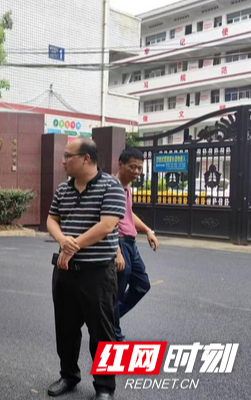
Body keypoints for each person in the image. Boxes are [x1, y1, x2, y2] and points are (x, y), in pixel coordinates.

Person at [46, 139, 126, 400]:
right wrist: (62, 240)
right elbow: (52, 219)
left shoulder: (111, 186)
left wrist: (73, 245)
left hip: (97, 273)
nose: (63, 161)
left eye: (68, 156)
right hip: (65, 272)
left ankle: (104, 387)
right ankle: (68, 375)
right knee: (66, 329)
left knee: (101, 332)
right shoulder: (63, 189)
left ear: (86, 159)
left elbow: (106, 226)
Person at [114, 148, 159, 342]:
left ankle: (107, 319)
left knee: (142, 284)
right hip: (120, 243)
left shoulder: (127, 188)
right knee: (116, 292)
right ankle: (114, 333)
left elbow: (128, 214)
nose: (137, 172)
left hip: (131, 243)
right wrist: (115, 251)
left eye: (140, 168)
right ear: (120, 164)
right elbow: (106, 219)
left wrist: (148, 230)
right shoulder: (113, 187)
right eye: (133, 167)